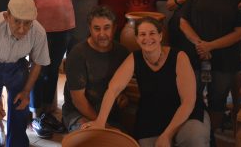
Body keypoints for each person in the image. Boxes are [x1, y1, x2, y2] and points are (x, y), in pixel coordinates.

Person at [86, 17, 210, 147]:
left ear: (160, 36)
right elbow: (113, 89)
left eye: (152, 33)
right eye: (142, 34)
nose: (147, 38)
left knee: (193, 139)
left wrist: (167, 135)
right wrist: (100, 121)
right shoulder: (134, 58)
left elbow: (188, 102)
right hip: (153, 114)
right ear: (137, 39)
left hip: (185, 113)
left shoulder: (179, 57)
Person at [180, 0, 241, 137]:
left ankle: (211, 136)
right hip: (196, 55)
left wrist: (210, 46)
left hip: (224, 60)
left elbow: (239, 33)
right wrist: (200, 44)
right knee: (191, 97)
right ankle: (194, 135)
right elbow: (183, 21)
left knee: (218, 99)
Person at [0, 0, 50, 147]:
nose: (22, 29)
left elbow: (37, 63)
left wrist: (27, 91)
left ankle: (17, 143)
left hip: (17, 66)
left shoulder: (39, 32)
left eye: (27, 23)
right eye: (17, 21)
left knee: (20, 107)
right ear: (7, 16)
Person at [20, 0, 74, 138]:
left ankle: (46, 113)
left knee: (52, 71)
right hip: (41, 26)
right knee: (38, 69)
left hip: (64, 25)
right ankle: (35, 115)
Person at [62, 6, 129, 132]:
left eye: (107, 28)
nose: (102, 34)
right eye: (97, 28)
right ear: (90, 29)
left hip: (109, 112)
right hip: (79, 114)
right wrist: (103, 124)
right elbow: (78, 100)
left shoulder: (122, 52)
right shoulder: (78, 54)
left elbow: (123, 87)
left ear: (114, 28)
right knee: (93, 139)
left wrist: (123, 96)